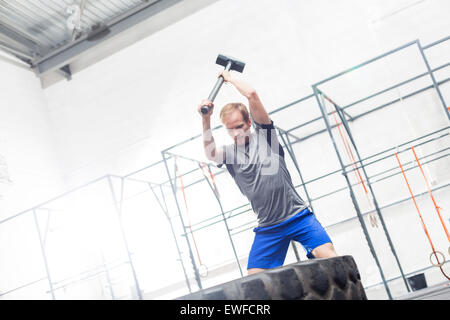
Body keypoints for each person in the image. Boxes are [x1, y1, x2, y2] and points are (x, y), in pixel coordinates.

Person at [198, 70, 337, 275]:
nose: (236, 133)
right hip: (269, 226)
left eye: (239, 127)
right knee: (254, 279)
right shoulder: (229, 154)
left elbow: (252, 94)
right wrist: (206, 119)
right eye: (230, 130)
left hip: (298, 216)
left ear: (249, 123)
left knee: (331, 257)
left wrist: (229, 78)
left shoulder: (266, 137)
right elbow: (210, 153)